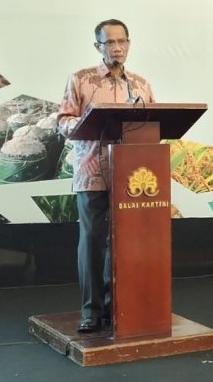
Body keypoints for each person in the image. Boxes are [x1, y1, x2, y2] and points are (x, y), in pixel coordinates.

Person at [56, 19, 155, 333]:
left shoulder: (140, 85)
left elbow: (153, 125)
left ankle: (120, 308)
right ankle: (91, 311)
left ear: (129, 43)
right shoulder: (81, 80)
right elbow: (62, 121)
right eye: (110, 42)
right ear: (97, 46)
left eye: (122, 41)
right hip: (93, 172)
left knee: (124, 242)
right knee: (93, 240)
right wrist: (87, 124)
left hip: (132, 176)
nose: (117, 48)